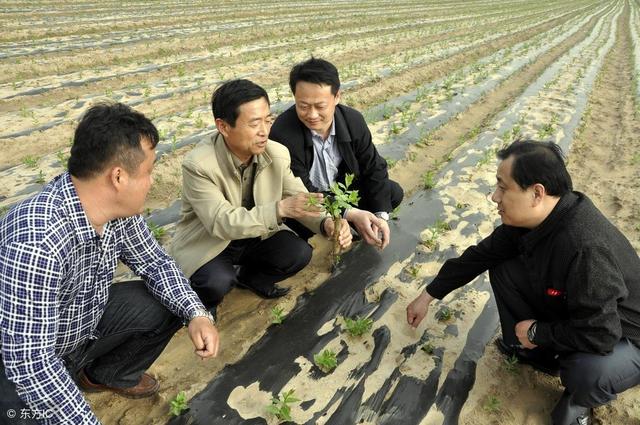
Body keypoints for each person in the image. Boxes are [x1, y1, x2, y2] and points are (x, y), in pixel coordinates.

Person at [0, 103, 219, 425]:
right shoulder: (38, 243)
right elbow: (31, 361)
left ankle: (105, 374)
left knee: (167, 301)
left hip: (76, 329)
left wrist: (196, 314)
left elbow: (156, 263)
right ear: (118, 177)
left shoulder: (117, 214)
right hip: (17, 358)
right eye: (148, 171)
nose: (151, 181)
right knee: (25, 413)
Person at [406, 140, 640, 425]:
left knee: (585, 373)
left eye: (503, 187)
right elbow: (479, 256)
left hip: (626, 336)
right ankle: (540, 356)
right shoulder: (533, 221)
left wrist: (538, 332)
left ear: (537, 193)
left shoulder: (584, 246)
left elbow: (601, 335)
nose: (495, 197)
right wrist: (428, 295)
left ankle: (580, 403)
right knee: (503, 267)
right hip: (588, 314)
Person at [171, 79, 351, 316]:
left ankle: (250, 278)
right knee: (215, 282)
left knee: (298, 253)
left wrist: (327, 222)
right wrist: (279, 209)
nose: (264, 131)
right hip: (212, 241)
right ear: (223, 126)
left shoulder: (276, 153)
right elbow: (221, 223)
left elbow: (299, 196)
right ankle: (204, 306)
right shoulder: (200, 165)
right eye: (254, 123)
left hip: (255, 233)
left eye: (268, 120)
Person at [269, 57, 403, 250]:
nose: (312, 115)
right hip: (309, 202)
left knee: (391, 192)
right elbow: (301, 190)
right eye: (303, 106)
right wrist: (349, 213)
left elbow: (374, 166)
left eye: (320, 106)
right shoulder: (284, 133)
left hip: (341, 192)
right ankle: (330, 231)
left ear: (337, 97)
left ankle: (358, 227)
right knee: (300, 231)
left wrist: (380, 216)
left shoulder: (352, 120)